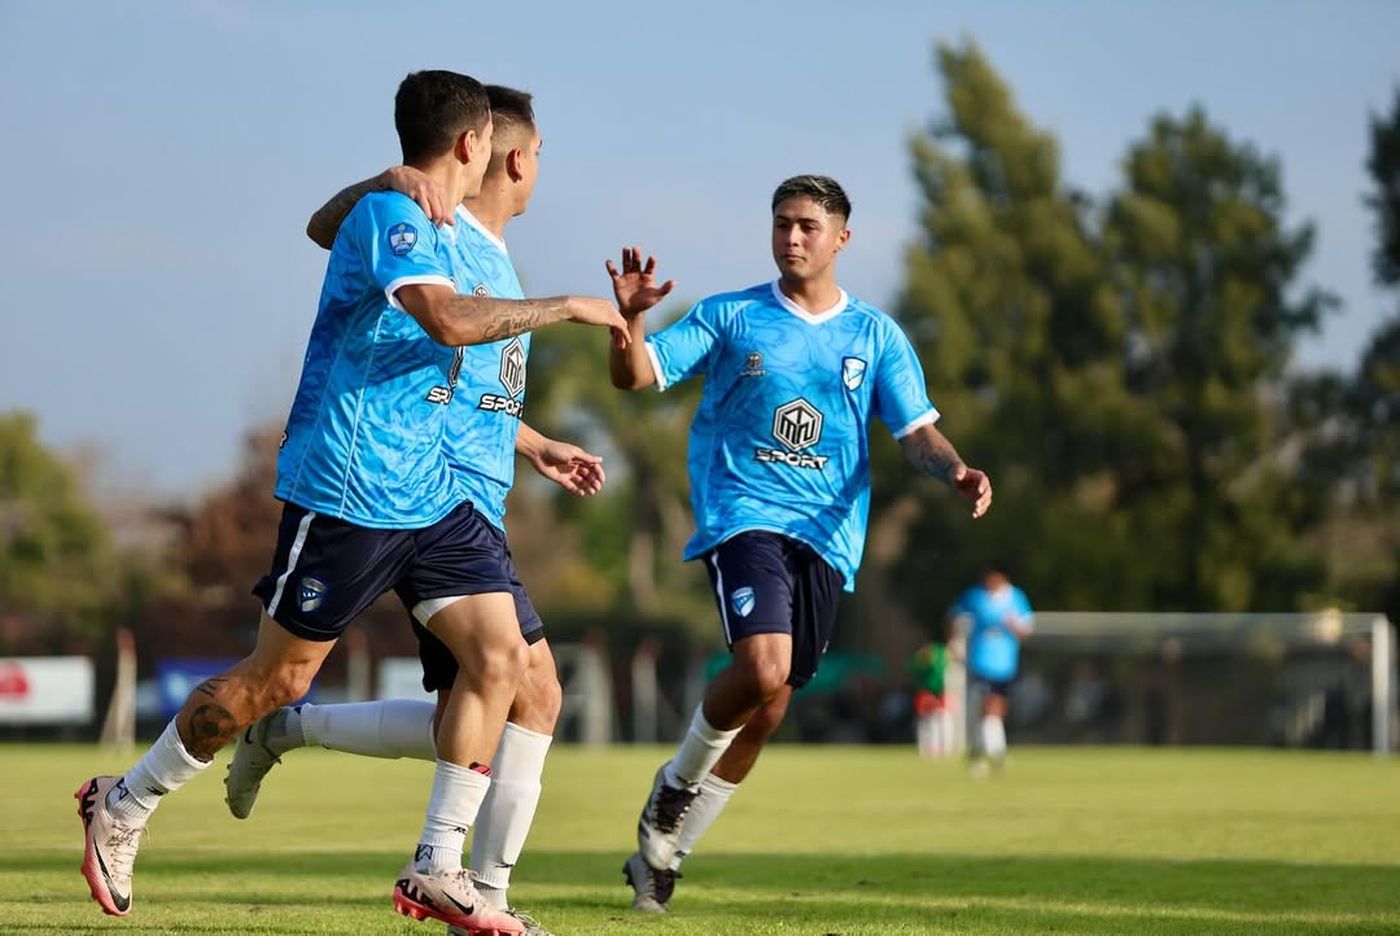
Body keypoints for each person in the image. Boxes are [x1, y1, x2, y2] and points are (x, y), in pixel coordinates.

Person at [75, 70, 627, 934]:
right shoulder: (392, 216)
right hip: (353, 488)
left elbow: (460, 373)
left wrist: (533, 441)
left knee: (508, 666)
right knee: (274, 680)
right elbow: (443, 321)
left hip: (439, 497)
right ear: (475, 145)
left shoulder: (454, 229)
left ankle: (440, 870)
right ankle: (124, 800)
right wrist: (569, 308)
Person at [223, 85, 585, 936]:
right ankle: (467, 880)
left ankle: (460, 873)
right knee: (510, 687)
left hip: (460, 495)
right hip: (426, 495)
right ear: (510, 156)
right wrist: (378, 181)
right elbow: (347, 243)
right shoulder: (443, 234)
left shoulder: (494, 257)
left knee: (519, 693)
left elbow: (469, 389)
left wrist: (533, 446)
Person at [605, 174, 992, 912]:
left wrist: (957, 469)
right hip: (744, 517)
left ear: (841, 238)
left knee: (773, 704)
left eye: (809, 226)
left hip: (828, 540)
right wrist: (630, 323)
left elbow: (915, 431)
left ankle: (665, 851)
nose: (792, 237)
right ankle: (672, 791)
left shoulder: (875, 335)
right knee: (762, 666)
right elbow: (636, 376)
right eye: (782, 223)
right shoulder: (730, 316)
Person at [948, 565, 1033, 773]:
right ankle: (994, 753)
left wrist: (1015, 626)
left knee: (996, 709)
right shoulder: (975, 596)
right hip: (980, 661)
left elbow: (1026, 630)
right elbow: (954, 616)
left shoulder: (1016, 598)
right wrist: (954, 642)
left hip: (1004, 663)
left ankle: (983, 752)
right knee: (986, 707)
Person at [909, 639, 952, 758]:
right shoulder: (920, 662)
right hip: (927, 693)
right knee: (927, 721)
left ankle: (944, 747)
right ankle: (928, 748)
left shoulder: (943, 655)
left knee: (943, 719)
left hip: (941, 692)